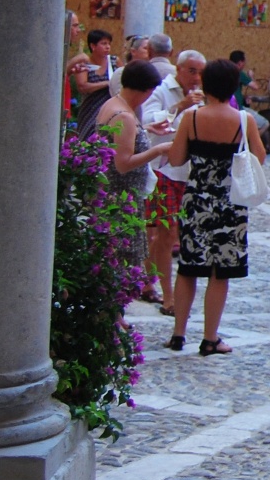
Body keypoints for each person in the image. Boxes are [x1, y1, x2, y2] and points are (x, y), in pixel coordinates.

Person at [165, 57, 264, 356]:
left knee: (187, 268)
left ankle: (178, 333)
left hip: (196, 199)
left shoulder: (191, 118)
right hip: (229, 204)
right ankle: (210, 338)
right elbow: (259, 157)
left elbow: (176, 159)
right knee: (220, 273)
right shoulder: (244, 121)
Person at [142, 49, 206, 313]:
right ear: (178, 69)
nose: (196, 77)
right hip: (163, 170)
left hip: (186, 172)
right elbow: (148, 121)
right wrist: (181, 106)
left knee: (165, 235)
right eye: (192, 71)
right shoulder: (162, 91)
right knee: (166, 234)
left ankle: (146, 281)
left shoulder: (201, 97)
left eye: (200, 73)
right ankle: (168, 297)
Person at [89, 60, 172, 203]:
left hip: (113, 192)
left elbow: (115, 139)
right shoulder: (124, 116)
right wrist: (159, 150)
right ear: (144, 90)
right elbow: (123, 164)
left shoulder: (112, 102)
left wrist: (145, 129)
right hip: (122, 196)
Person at [68, 28, 117, 133]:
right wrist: (107, 83)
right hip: (90, 109)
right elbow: (82, 86)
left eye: (109, 43)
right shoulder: (84, 63)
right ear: (93, 46)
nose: (108, 47)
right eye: (103, 43)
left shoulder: (114, 61)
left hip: (110, 109)